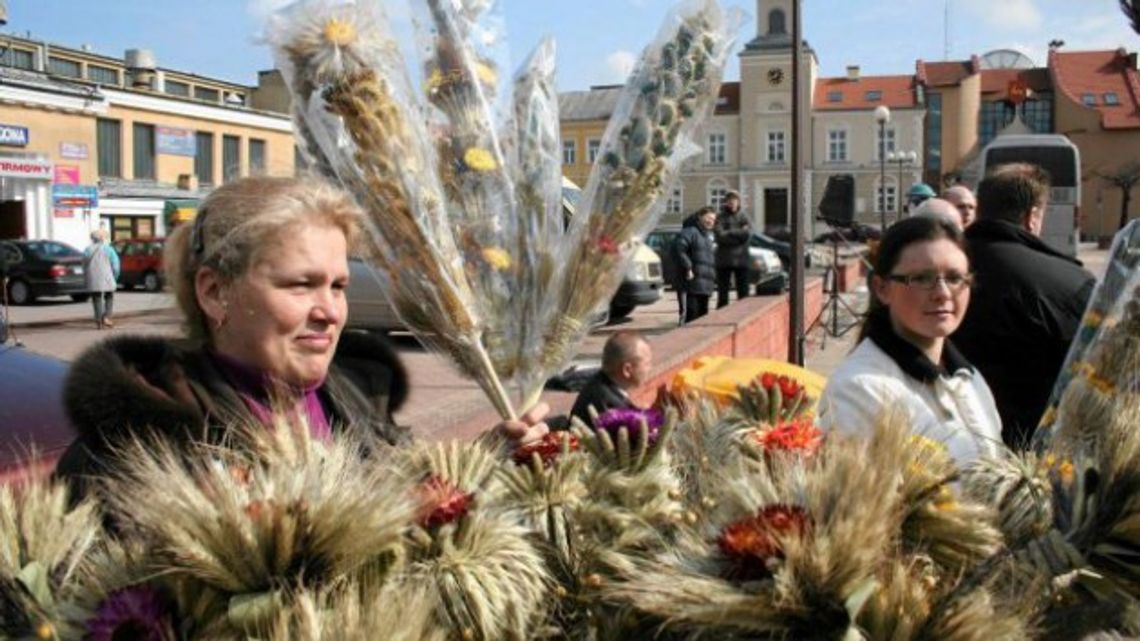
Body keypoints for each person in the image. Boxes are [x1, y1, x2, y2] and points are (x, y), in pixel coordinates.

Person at [56, 176, 549, 500]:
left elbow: (402, 507)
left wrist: (488, 458)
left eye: (338, 286)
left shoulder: (357, 398)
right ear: (214, 292)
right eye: (301, 284)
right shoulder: (129, 452)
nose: (330, 312)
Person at [817, 216, 1003, 465]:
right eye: (922, 279)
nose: (942, 293)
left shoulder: (969, 379)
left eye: (955, 278)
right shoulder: (857, 389)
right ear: (882, 288)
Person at [952, 163, 1096, 448]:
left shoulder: (934, 268)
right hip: (1031, 451)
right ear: (1032, 217)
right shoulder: (1071, 283)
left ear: (980, 208)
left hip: (941, 447)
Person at [570, 331, 652, 425]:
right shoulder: (611, 406)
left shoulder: (599, 382)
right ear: (627, 370)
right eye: (647, 364)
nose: (650, 368)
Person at [674, 206, 717, 323]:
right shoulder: (690, 231)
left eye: (713, 219)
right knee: (691, 318)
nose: (711, 221)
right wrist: (688, 267)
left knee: (702, 319)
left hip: (705, 286)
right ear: (700, 217)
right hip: (691, 284)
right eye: (708, 218)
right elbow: (679, 250)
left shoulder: (708, 237)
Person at [713, 190, 751, 309]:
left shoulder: (744, 216)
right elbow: (719, 236)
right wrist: (738, 235)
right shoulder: (720, 217)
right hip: (724, 260)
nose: (732, 202)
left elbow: (747, 235)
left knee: (744, 294)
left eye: (734, 200)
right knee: (723, 295)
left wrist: (729, 232)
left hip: (741, 260)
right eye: (729, 200)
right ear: (726, 202)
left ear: (738, 202)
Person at [83, 229, 120, 329]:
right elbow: (116, 266)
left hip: (93, 278)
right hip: (107, 277)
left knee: (96, 298)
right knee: (109, 296)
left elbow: (84, 265)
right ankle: (107, 317)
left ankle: (99, 321)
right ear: (103, 238)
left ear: (93, 239)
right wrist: (115, 277)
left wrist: (86, 276)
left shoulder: (87, 250)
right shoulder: (109, 249)